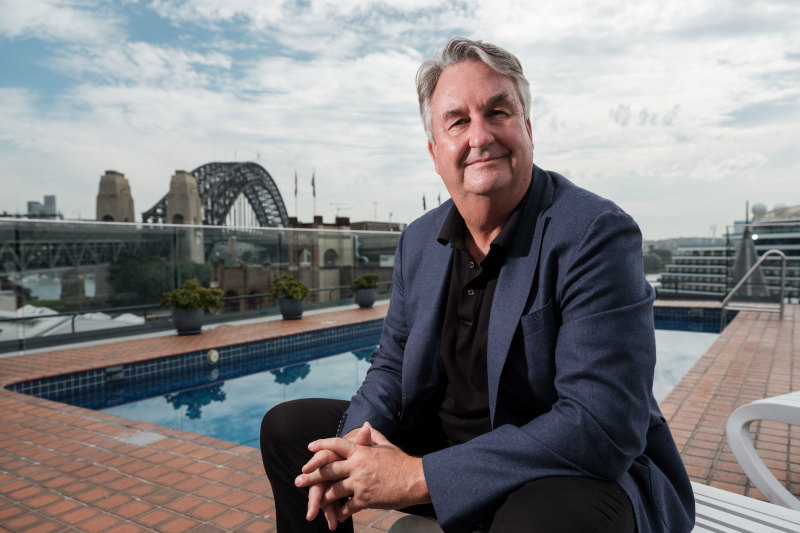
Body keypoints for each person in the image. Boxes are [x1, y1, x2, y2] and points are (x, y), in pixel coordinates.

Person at [261, 37, 695, 533]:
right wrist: (355, 449)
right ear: (434, 150)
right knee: (294, 435)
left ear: (527, 128)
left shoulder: (594, 233)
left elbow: (600, 425)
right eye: (458, 121)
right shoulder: (420, 240)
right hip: (449, 448)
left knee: (545, 518)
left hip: (565, 472)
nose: (480, 136)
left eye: (498, 112)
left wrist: (417, 475)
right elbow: (392, 366)